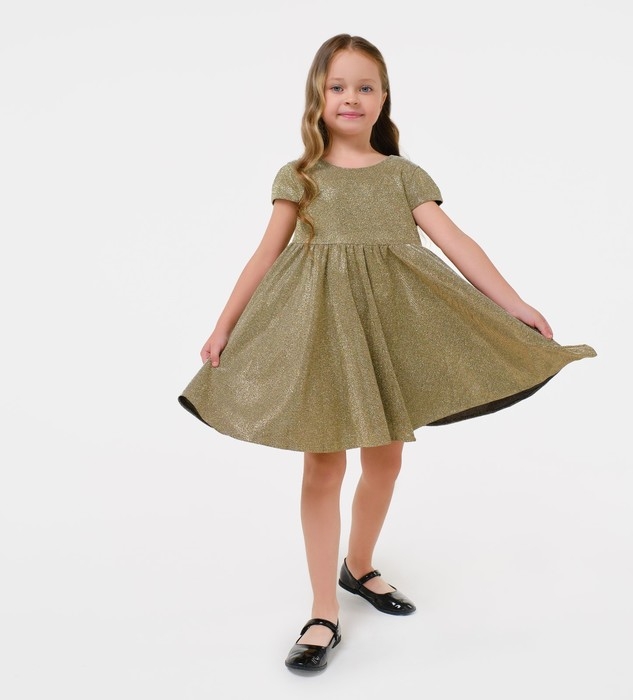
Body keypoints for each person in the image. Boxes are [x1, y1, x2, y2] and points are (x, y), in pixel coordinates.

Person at [178, 33, 596, 673]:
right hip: (320, 334)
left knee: (386, 460)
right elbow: (263, 255)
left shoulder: (403, 176)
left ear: (383, 98)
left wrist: (513, 302)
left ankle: (359, 565)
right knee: (323, 465)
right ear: (318, 96)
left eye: (365, 86)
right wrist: (224, 324)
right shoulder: (300, 177)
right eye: (338, 86)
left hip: (388, 331)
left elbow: (457, 242)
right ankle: (323, 611)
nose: (351, 97)